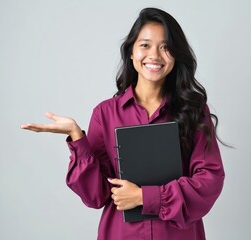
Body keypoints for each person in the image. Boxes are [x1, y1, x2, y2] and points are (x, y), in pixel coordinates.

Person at [21, 7, 225, 240]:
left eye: (165, 47)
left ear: (176, 55)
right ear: (131, 52)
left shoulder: (195, 111)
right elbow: (96, 195)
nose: (155, 55)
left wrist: (143, 197)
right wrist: (78, 137)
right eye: (145, 45)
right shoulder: (105, 113)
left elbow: (209, 181)